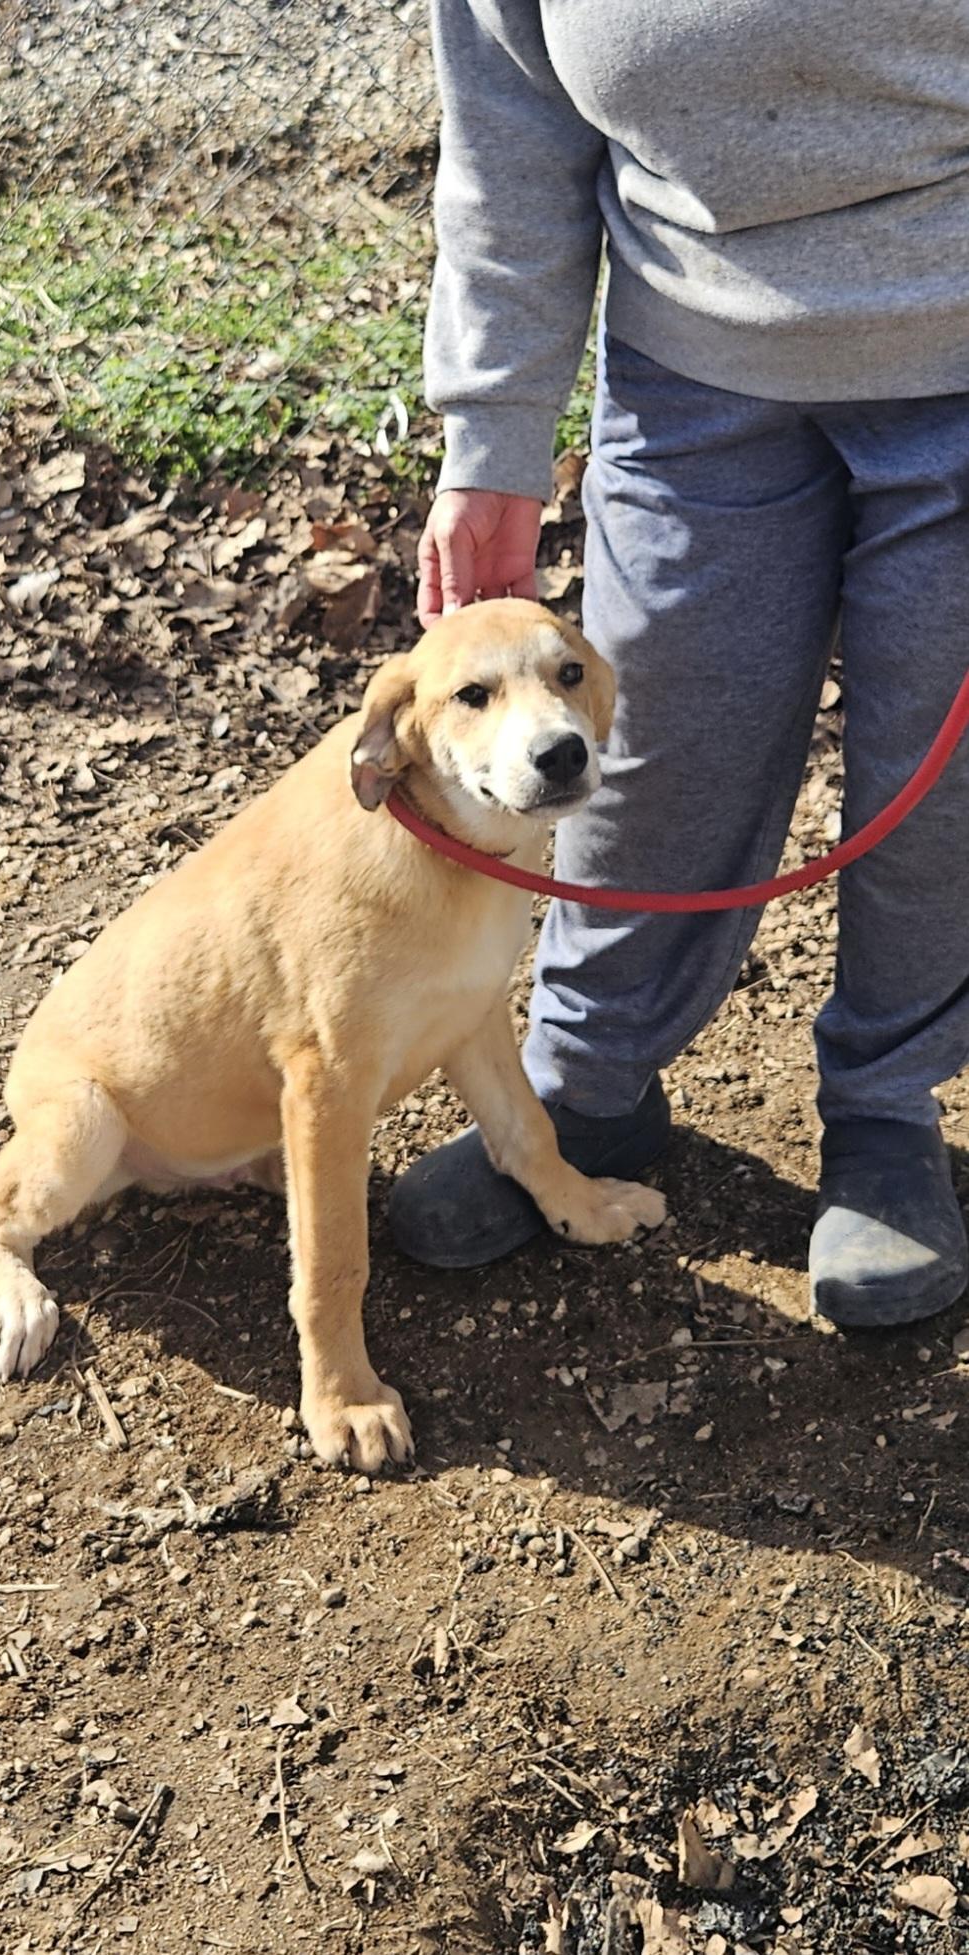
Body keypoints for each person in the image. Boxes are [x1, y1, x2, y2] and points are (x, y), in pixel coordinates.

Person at [388, 0, 969, 1327]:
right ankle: (584, 1090)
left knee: (933, 785)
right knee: (645, 764)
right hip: (686, 376)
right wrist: (490, 436)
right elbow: (511, 135)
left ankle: (885, 1110)